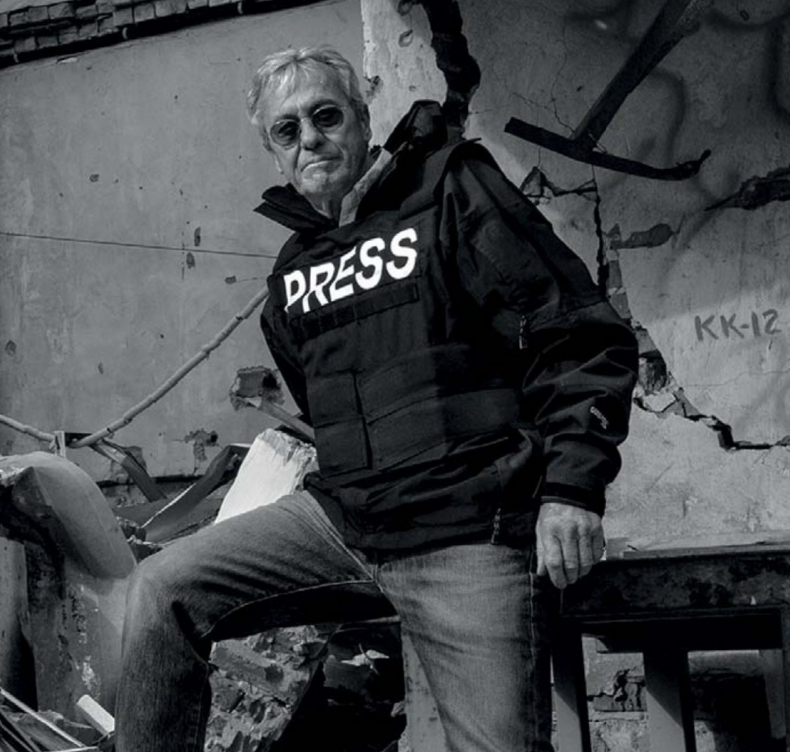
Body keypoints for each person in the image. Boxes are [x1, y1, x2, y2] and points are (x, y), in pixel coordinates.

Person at [115, 46, 638, 752]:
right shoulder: (294, 272)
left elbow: (579, 336)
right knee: (161, 590)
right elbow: (319, 408)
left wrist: (571, 490)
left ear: (363, 121)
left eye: (325, 117)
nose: (310, 139)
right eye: (287, 130)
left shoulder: (450, 188)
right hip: (347, 523)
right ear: (274, 153)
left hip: (466, 527)